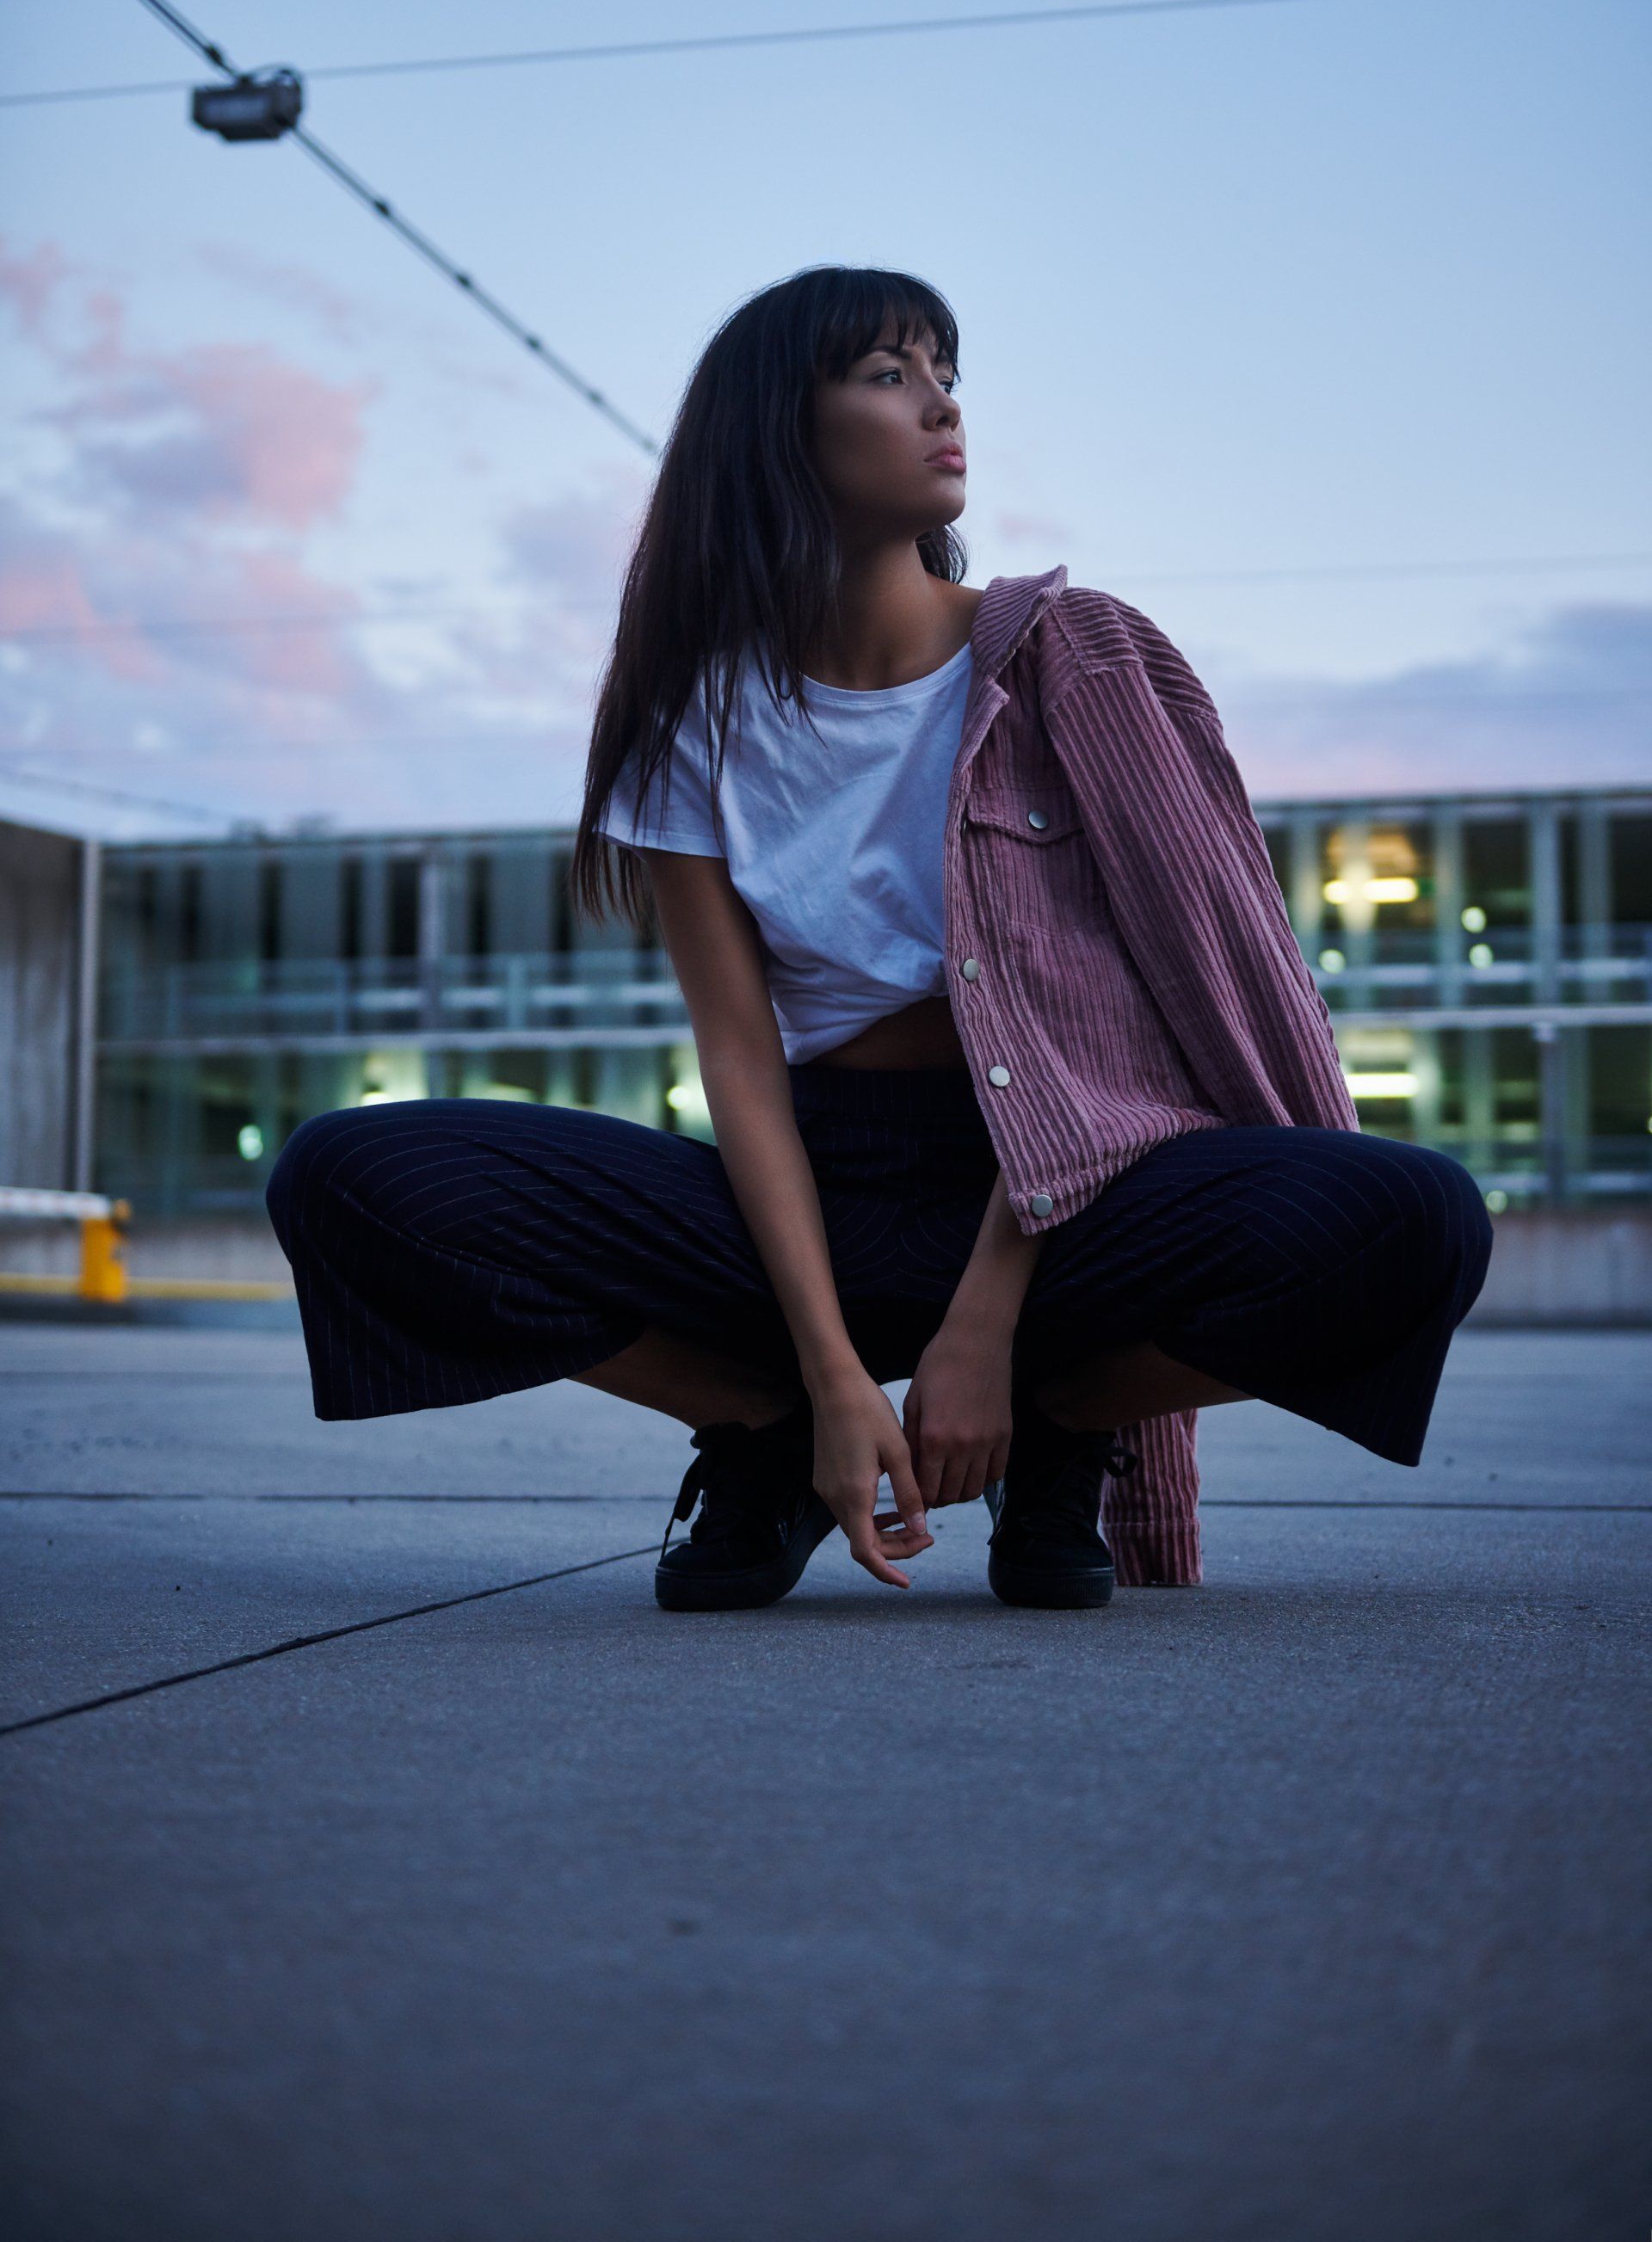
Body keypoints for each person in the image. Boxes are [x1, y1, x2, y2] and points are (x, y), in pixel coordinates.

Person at [267, 265, 1491, 1616]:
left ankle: (1065, 1420)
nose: (941, 409)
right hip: (811, 1180)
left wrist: (992, 1334)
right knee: (346, 1177)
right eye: (890, 375)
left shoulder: (1066, 662)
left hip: (1060, 1188)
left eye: (947, 376)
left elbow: (1118, 1029)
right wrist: (832, 1376)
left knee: (1416, 1222)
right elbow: (737, 1056)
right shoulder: (700, 714)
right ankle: (761, 1429)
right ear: (778, 429)